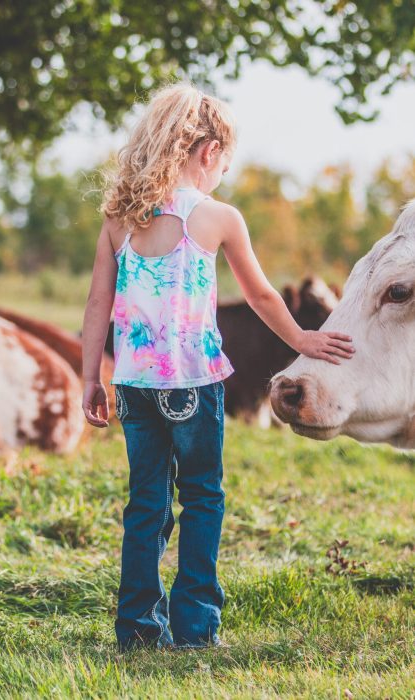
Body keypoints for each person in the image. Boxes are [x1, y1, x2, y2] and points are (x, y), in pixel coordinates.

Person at [81, 81, 355, 651]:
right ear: (209, 153)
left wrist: (89, 377)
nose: (221, 176)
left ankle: (136, 628)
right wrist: (305, 336)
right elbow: (259, 297)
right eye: (223, 165)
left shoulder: (118, 219)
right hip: (195, 385)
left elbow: (96, 306)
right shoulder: (217, 217)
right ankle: (195, 628)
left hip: (133, 383)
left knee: (146, 504)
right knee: (202, 497)